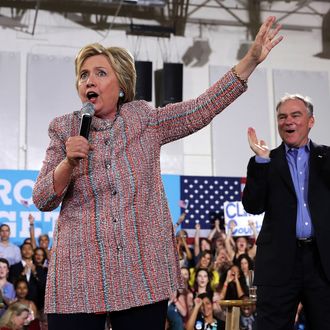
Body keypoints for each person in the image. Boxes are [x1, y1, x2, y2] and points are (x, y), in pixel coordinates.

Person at [32, 16, 282, 330]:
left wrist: (250, 61)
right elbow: (42, 198)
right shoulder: (64, 129)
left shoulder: (146, 122)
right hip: (78, 274)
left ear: (121, 86)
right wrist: (67, 162)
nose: (89, 81)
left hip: (140, 268)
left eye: (100, 73)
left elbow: (201, 108)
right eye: (83, 75)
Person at [242, 94, 330, 329]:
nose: (287, 121)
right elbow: (252, 206)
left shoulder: (328, 158)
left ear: (310, 121)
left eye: (295, 115)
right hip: (279, 264)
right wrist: (261, 163)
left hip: (322, 263)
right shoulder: (265, 161)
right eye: (282, 116)